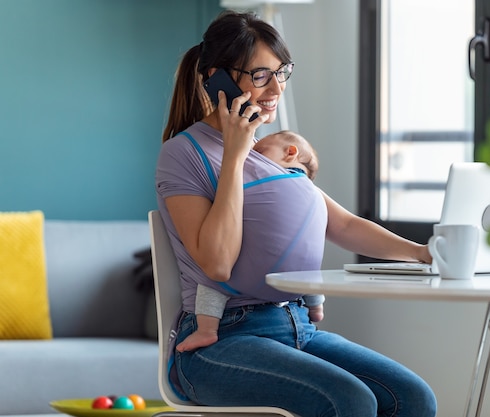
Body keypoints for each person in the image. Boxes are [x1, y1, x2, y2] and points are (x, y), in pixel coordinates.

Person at [156, 9, 437, 417]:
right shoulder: (184, 153)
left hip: (296, 325)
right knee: (350, 401)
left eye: (281, 71)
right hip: (221, 341)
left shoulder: (272, 153)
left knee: (413, 398)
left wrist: (424, 253)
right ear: (217, 78)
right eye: (260, 75)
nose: (276, 87)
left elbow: (341, 224)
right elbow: (216, 263)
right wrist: (235, 154)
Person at [176, 130, 323, 352]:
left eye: (260, 152)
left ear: (290, 153)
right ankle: (317, 308)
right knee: (309, 267)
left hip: (245, 282)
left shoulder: (260, 184)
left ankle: (206, 330)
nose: (251, 158)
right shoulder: (314, 195)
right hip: (299, 286)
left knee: (211, 285)